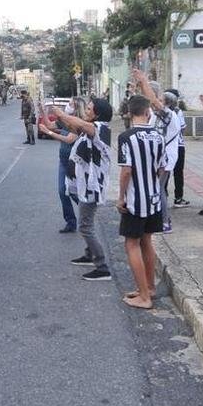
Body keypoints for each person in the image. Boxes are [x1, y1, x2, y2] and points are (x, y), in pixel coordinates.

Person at [42, 99, 115, 280]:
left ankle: (102, 267)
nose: (86, 111)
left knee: (85, 226)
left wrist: (61, 113)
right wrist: (57, 117)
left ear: (97, 114)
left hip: (92, 187)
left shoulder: (99, 128)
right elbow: (72, 127)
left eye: (89, 109)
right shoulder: (91, 127)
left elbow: (79, 124)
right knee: (86, 223)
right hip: (85, 186)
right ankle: (90, 254)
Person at [116, 94, 165, 309]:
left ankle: (144, 297)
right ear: (147, 112)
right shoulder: (158, 136)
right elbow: (162, 168)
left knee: (131, 244)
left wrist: (121, 197)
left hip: (136, 201)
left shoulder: (126, 137)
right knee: (147, 241)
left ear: (129, 113)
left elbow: (126, 171)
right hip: (154, 198)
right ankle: (150, 287)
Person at [131, 69, 183, 233]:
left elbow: (152, 100)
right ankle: (156, 217)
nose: (156, 103)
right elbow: (148, 101)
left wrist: (144, 81)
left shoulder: (169, 116)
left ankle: (165, 221)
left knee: (158, 189)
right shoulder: (156, 116)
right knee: (156, 188)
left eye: (160, 100)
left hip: (165, 159)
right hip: (156, 158)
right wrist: (141, 86)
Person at [50, 99, 80, 233]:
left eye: (71, 104)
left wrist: (49, 133)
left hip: (74, 164)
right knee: (62, 191)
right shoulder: (64, 121)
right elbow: (49, 125)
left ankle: (87, 210)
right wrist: (42, 110)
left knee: (73, 192)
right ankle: (71, 222)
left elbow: (69, 139)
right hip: (63, 161)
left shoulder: (78, 123)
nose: (68, 106)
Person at [171, 93, 190, 208]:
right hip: (178, 145)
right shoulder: (178, 111)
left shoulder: (160, 111)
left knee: (163, 172)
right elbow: (183, 128)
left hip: (165, 145)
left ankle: (161, 196)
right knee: (178, 173)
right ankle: (178, 198)